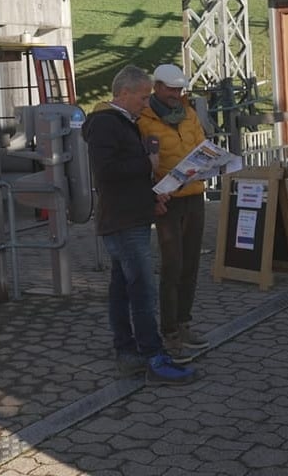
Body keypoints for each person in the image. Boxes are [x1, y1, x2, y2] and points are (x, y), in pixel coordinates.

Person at [82, 64, 196, 385]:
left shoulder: (122, 122)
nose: (146, 104)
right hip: (123, 222)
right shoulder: (107, 124)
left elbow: (124, 178)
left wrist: (150, 197)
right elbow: (107, 172)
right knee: (142, 291)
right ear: (125, 93)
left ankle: (128, 353)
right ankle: (153, 357)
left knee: (122, 289)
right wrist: (146, 163)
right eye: (143, 98)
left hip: (129, 215)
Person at [138, 63, 210, 364]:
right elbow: (144, 161)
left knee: (191, 264)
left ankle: (183, 323)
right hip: (168, 201)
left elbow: (200, 144)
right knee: (172, 266)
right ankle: (168, 331)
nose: (176, 95)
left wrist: (210, 159)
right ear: (157, 88)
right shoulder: (143, 119)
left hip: (194, 196)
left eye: (180, 90)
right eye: (171, 89)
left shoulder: (189, 112)